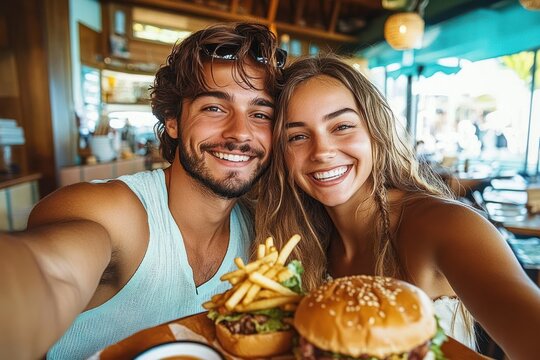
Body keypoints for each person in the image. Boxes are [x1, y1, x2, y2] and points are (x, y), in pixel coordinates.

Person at [0, 23, 286, 360]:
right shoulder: (115, 211)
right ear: (173, 121)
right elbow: (50, 274)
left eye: (260, 113)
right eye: (214, 107)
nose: (240, 133)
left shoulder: (262, 234)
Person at [254, 55, 540, 359]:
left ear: (376, 132)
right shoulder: (301, 236)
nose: (322, 151)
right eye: (297, 136)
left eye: (342, 126)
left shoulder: (448, 225)